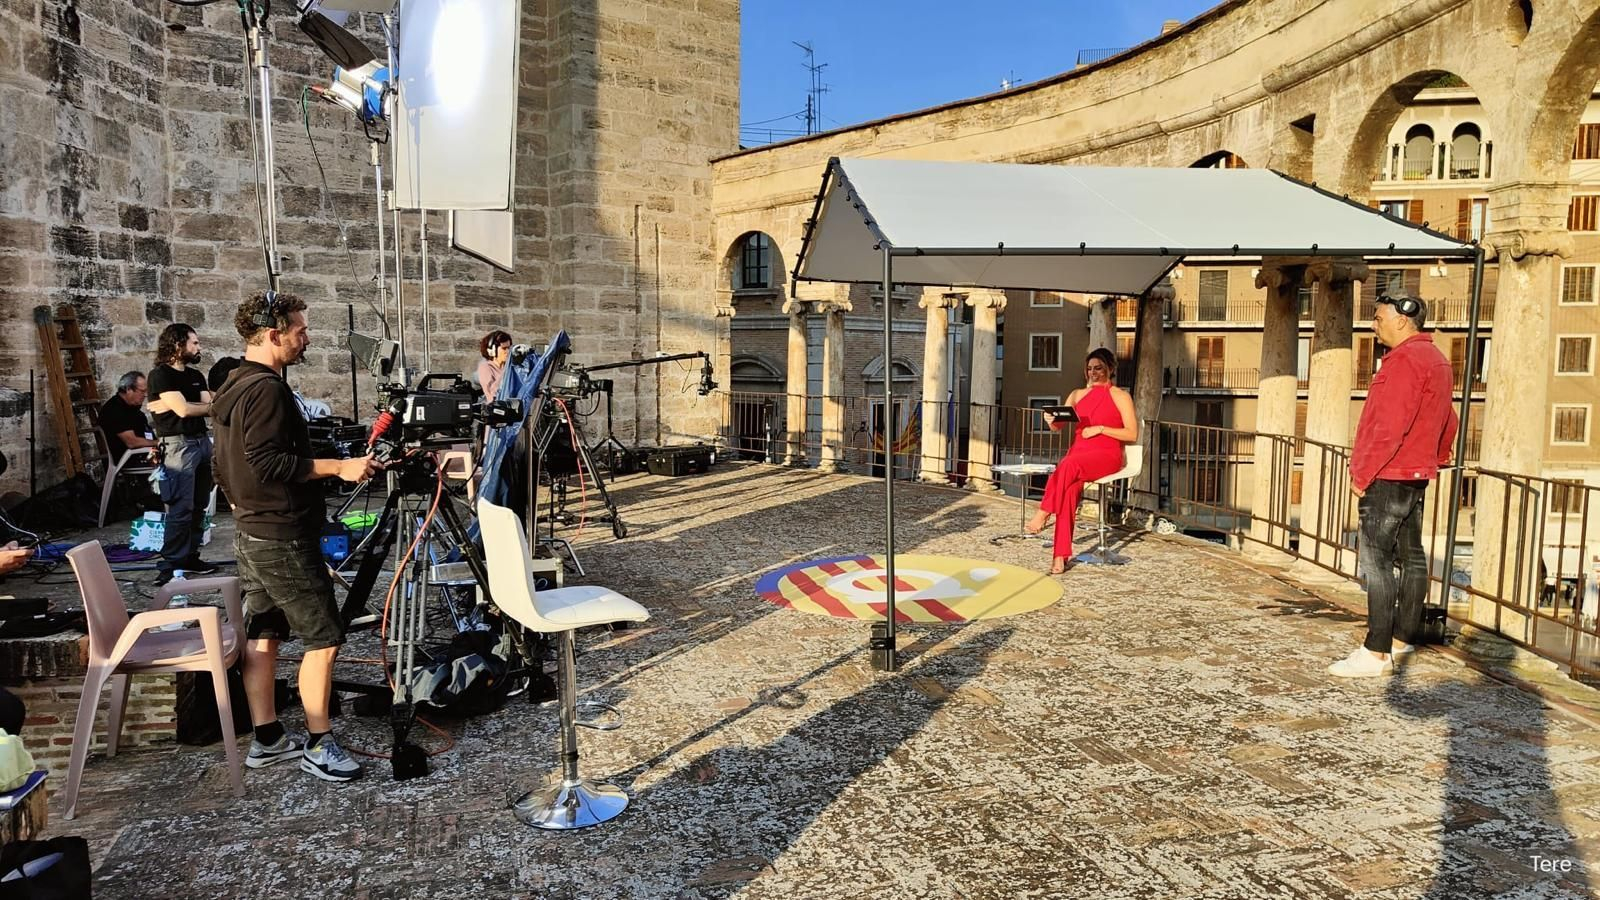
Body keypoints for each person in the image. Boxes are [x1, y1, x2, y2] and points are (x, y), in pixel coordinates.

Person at [212, 291, 380, 781]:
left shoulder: (233, 384)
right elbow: (266, 463)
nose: (306, 338)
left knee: (264, 634)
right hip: (281, 534)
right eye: (300, 330)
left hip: (252, 529)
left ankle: (267, 739)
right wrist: (340, 467)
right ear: (272, 334)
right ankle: (319, 742)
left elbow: (226, 464)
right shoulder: (266, 389)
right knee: (324, 638)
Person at [1329, 295, 1457, 678]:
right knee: (1413, 556)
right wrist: (1437, 456)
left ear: (1403, 321)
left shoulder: (1404, 362)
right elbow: (1448, 418)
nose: (1374, 324)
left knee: (1376, 561)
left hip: (1388, 473)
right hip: (1416, 473)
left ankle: (1375, 651)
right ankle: (1402, 640)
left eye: (1379, 317)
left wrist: (1361, 474)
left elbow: (1388, 424)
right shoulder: (1437, 359)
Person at [1024, 348, 1138, 574]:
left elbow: (1132, 434)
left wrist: (1101, 428)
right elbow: (1058, 426)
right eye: (1089, 369)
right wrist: (1050, 420)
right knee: (1067, 491)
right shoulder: (1076, 395)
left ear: (1110, 369)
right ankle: (1060, 555)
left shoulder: (1120, 396)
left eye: (1098, 368)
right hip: (1079, 453)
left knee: (1066, 465)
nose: (1093, 373)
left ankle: (1044, 511)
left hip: (1107, 455)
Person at [147, 324, 217, 583]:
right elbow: (185, 411)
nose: (198, 348)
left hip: (201, 442)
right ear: (178, 345)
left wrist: (184, 405)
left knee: (200, 506)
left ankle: (191, 556)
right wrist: (185, 405)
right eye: (194, 343)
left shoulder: (196, 375)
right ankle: (171, 563)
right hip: (178, 446)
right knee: (181, 507)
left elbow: (210, 406)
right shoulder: (160, 375)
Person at [98, 371, 156, 461]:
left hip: (146, 454)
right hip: (130, 459)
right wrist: (158, 443)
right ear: (128, 389)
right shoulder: (114, 410)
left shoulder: (133, 409)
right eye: (142, 391)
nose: (145, 395)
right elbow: (132, 442)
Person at [476, 330, 512, 403]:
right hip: (496, 409)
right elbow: (492, 393)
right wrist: (506, 372)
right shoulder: (485, 367)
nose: (508, 352)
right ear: (492, 350)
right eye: (504, 348)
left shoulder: (508, 366)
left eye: (509, 348)